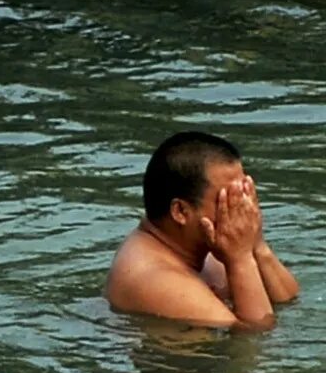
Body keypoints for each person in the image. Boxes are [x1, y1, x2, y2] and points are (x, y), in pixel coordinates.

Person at [105, 131, 301, 330]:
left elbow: (289, 303)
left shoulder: (204, 244)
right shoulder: (158, 281)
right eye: (226, 199)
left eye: (241, 194)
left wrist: (257, 245)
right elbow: (255, 337)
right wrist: (240, 259)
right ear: (180, 211)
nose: (241, 208)